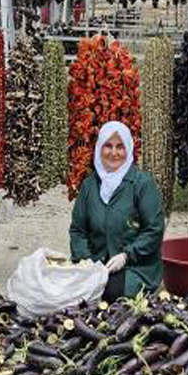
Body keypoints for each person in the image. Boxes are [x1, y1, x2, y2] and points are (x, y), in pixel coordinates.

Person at [69, 121, 165, 302]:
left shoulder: (142, 184)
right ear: (99, 148)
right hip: (95, 264)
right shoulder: (89, 185)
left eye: (120, 147)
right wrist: (86, 260)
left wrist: (127, 255)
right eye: (108, 146)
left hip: (135, 266)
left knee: (111, 293)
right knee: (73, 292)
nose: (114, 153)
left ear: (128, 149)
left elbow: (154, 229)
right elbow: (77, 230)